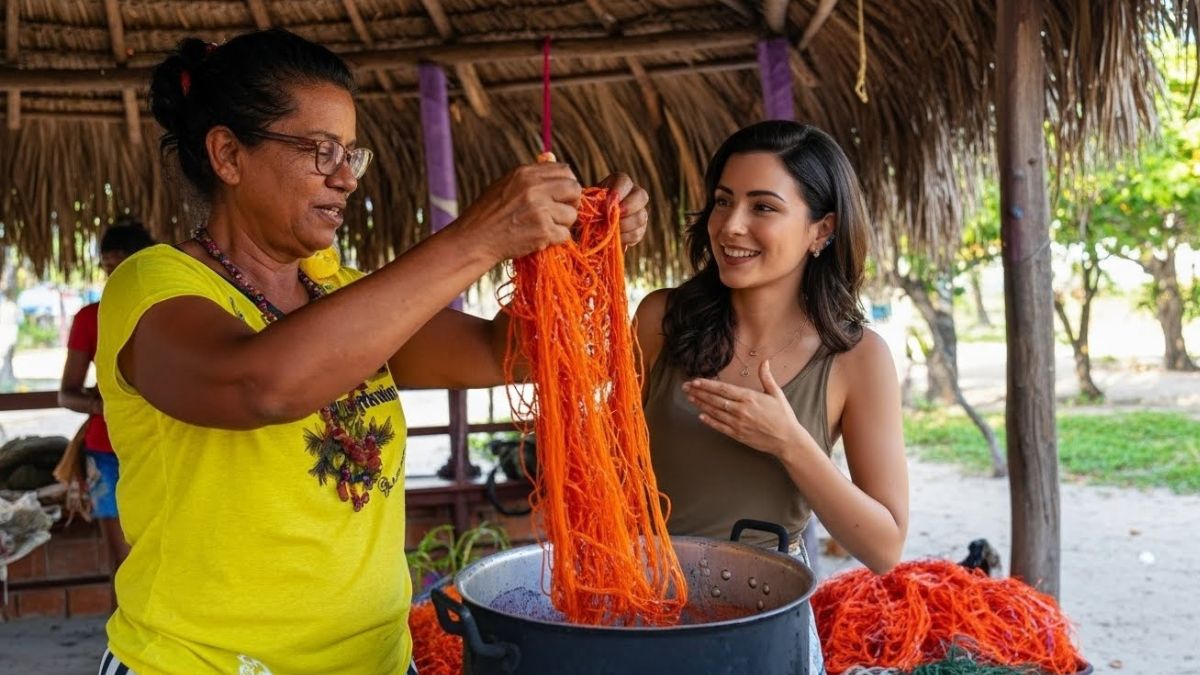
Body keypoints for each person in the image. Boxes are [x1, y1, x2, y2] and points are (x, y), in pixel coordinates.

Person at [93, 29, 649, 675]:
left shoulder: (342, 291)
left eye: (350, 155)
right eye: (319, 151)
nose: (343, 178)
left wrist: (584, 250)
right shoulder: (153, 284)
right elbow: (258, 386)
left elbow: (503, 354)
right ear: (228, 154)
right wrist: (478, 238)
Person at [637, 121, 909, 672]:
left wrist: (789, 442)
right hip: (641, 607)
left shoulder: (857, 358)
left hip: (762, 616)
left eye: (763, 207)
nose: (731, 226)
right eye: (722, 201)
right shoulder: (659, 320)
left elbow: (884, 548)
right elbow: (610, 463)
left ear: (821, 230)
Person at [58, 217, 155, 569]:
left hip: (160, 444)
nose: (113, 276)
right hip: (107, 451)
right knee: (124, 561)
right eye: (107, 267)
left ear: (145, 265)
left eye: (122, 266)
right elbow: (66, 395)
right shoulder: (90, 318)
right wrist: (106, 403)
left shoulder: (167, 311)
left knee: (165, 552)